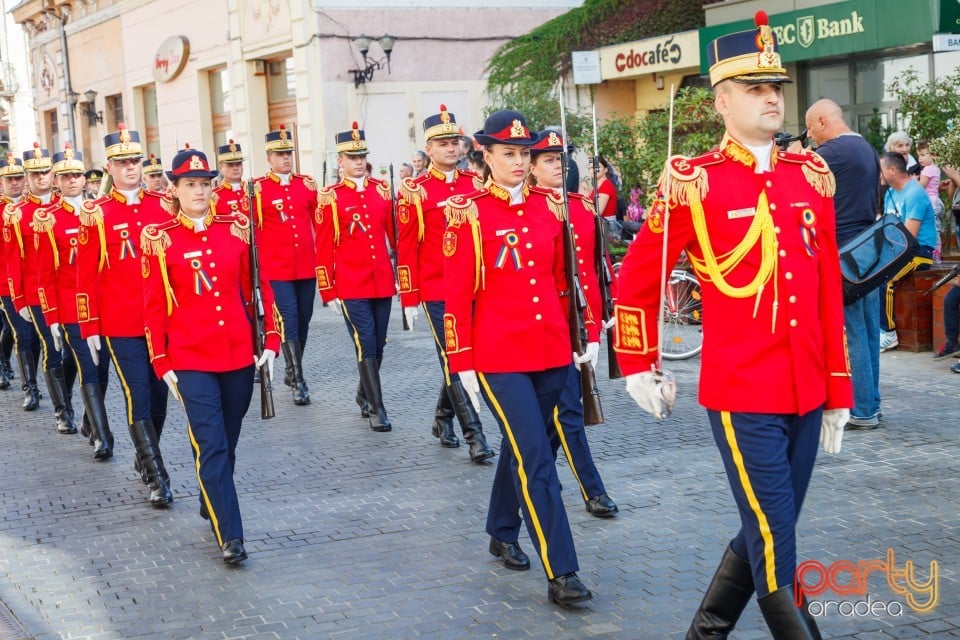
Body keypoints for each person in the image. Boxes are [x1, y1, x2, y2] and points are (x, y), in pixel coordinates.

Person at [613, 13, 851, 637]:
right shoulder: (695, 183)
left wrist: (837, 392)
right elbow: (637, 279)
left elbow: (827, 293)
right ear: (721, 100)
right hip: (744, 393)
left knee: (768, 528)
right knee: (777, 545)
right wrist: (638, 363)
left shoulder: (811, 177)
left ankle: (705, 632)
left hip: (806, 390)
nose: (772, 96)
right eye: (754, 87)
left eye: (776, 85)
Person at [443, 109, 593, 607]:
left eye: (524, 153)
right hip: (497, 355)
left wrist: (584, 334)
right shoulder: (466, 211)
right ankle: (563, 570)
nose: (518, 161)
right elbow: (457, 293)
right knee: (536, 459)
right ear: (482, 155)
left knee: (527, 448)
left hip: (550, 349)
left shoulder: (552, 207)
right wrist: (460, 361)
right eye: (507, 153)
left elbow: (560, 281)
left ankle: (502, 527)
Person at [140, 147, 279, 564]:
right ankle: (231, 536)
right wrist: (161, 361)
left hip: (237, 354)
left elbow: (259, 288)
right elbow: (153, 306)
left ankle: (212, 495)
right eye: (190, 184)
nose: (199, 191)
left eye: (204, 183)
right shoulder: (160, 238)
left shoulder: (236, 228)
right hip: (189, 359)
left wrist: (271, 339)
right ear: (175, 189)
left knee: (229, 440)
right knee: (212, 444)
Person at [76, 124, 174, 507]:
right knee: (139, 395)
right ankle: (156, 475)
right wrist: (90, 325)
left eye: (135, 160)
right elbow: (86, 275)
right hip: (121, 324)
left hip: (161, 322)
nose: (131, 167)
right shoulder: (97, 213)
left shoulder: (163, 205)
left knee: (161, 397)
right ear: (110, 168)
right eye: (123, 162)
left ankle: (145, 453)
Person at [396, 104, 495, 460]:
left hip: (474, 286)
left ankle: (442, 418)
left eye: (455, 142)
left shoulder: (477, 184)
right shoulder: (415, 190)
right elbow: (406, 244)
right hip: (437, 289)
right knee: (454, 356)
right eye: (442, 144)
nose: (451, 148)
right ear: (430, 149)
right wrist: (408, 296)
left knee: (465, 356)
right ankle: (476, 437)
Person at [527, 129, 617, 516]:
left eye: (561, 159)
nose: (558, 166)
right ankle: (591, 489)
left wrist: (598, 325)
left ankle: (529, 482)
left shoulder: (582, 208)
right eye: (548, 160)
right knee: (568, 412)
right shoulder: (529, 209)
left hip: (578, 325)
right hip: (545, 325)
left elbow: (595, 273)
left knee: (557, 418)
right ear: (531, 168)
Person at [33, 144, 115, 459]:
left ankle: (88, 418)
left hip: (104, 306)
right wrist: (52, 316)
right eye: (65, 176)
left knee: (103, 368)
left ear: (84, 178)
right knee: (87, 366)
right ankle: (102, 436)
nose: (71, 181)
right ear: (57, 180)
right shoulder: (48, 218)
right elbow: (44, 273)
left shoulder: (100, 210)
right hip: (71, 308)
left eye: (76, 175)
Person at [805, 98, 883, 430]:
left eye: (810, 130)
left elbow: (797, 173)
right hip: (869, 249)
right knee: (867, 331)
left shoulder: (833, 153)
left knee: (851, 332)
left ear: (823, 121)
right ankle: (871, 404)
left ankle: (863, 409)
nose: (810, 138)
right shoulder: (865, 147)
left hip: (844, 251)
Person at [314, 122, 396, 432]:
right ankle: (378, 408)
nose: (359, 161)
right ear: (340, 162)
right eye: (352, 157)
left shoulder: (381, 190)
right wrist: (328, 290)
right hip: (351, 284)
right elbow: (323, 249)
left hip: (381, 281)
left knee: (380, 344)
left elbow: (394, 237)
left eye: (362, 156)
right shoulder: (330, 198)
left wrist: (401, 275)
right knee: (365, 343)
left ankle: (364, 394)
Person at [6, 143, 79, 434]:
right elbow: (13, 258)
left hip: (72, 292)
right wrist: (19, 298)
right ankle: (63, 411)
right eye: (34, 174)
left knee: (75, 353)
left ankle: (68, 395)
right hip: (38, 294)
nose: (40, 178)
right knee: (52, 347)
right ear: (27, 176)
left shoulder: (70, 206)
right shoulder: (17, 213)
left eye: (45, 172)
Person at [252, 125, 317, 406]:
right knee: (288, 319)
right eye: (280, 154)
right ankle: (297, 379)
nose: (286, 158)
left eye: (288, 153)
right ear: (269, 158)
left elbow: (320, 223)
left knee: (303, 321)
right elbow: (253, 230)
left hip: (305, 266)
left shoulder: (307, 185)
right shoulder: (258, 189)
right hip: (276, 268)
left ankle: (293, 370)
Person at [879, 151, 937, 352]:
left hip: (918, 251)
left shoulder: (915, 193)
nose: (879, 174)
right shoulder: (890, 194)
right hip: (897, 248)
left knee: (884, 279)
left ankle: (888, 332)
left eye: (881, 169)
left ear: (892, 170)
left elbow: (909, 236)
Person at [0, 153, 41, 403]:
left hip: (36, 284)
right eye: (9, 179)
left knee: (35, 337)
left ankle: (5, 360)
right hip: (6, 284)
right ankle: (30, 388)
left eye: (18, 178)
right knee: (22, 333)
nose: (14, 183)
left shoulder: (37, 209)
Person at [916, 141, 943, 263]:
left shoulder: (927, 169)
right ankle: (936, 253)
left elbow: (921, 186)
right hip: (936, 200)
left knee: (933, 229)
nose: (920, 158)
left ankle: (935, 253)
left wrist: (913, 181)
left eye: (923, 155)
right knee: (936, 227)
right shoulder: (935, 168)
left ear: (933, 155)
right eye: (919, 155)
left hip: (930, 203)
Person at [212, 140, 248, 216]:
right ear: (221, 167)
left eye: (238, 164)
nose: (235, 168)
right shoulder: (216, 195)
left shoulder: (252, 189)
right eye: (230, 165)